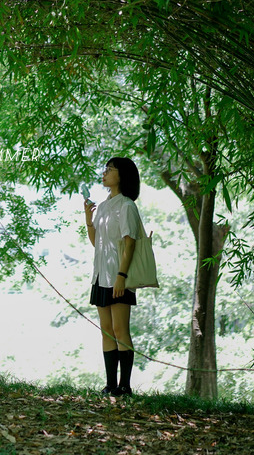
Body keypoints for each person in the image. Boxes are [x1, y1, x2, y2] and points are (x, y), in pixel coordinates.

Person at [84, 157, 144, 397]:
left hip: (119, 276)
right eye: (105, 169)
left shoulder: (127, 206)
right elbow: (96, 243)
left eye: (110, 169)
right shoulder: (103, 206)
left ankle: (125, 386)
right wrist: (89, 220)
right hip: (100, 275)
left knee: (120, 330)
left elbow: (130, 244)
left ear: (122, 176)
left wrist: (121, 276)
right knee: (106, 330)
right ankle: (110, 385)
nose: (105, 173)